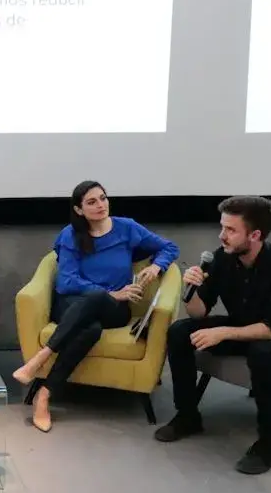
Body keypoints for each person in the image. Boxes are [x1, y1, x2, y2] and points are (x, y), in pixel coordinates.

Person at [154, 195, 271, 475]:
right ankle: (188, 416)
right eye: (222, 227)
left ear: (255, 235)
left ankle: (269, 446)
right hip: (244, 327)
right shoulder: (221, 258)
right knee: (180, 331)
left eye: (231, 230)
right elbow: (198, 314)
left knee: (262, 354)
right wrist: (191, 291)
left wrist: (222, 332)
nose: (222, 236)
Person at [12, 180, 180, 432]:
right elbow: (67, 281)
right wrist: (110, 293)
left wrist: (157, 266)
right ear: (79, 210)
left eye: (103, 198)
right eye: (92, 202)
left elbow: (170, 247)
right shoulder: (70, 235)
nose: (101, 205)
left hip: (115, 310)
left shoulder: (127, 228)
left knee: (99, 299)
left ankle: (41, 358)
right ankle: (44, 395)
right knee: (91, 329)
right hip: (72, 303)